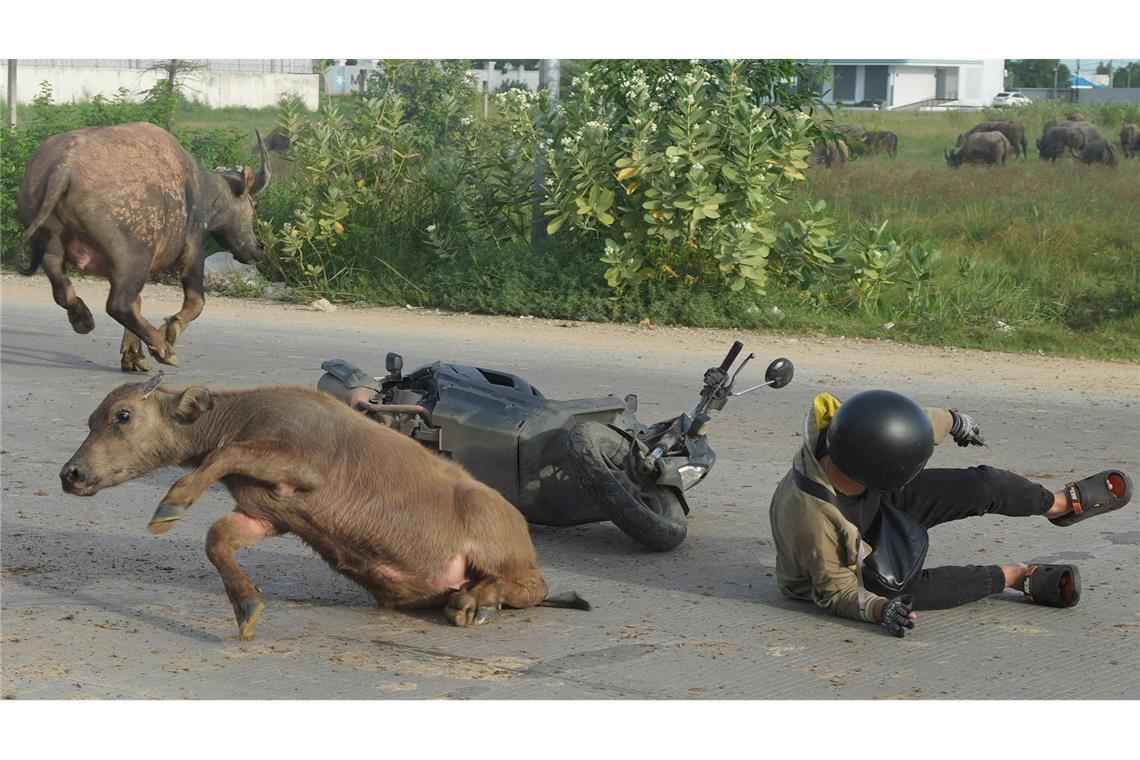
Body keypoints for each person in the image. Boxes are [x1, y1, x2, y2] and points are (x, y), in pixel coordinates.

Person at [768, 389, 1133, 637]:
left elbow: (904, 423)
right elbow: (836, 591)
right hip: (845, 561)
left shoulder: (849, 430)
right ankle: (1013, 576)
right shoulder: (814, 520)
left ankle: (1057, 505)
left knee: (982, 486)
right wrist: (880, 610)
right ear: (883, 471)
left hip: (874, 498)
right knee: (900, 590)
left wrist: (954, 420)